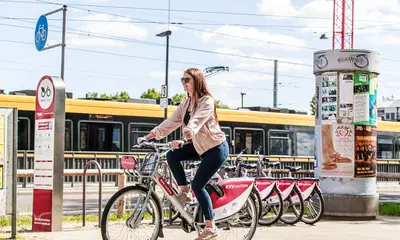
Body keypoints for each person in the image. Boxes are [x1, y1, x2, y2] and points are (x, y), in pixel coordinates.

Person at [138, 67, 229, 240]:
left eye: (187, 80)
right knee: (172, 155)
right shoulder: (185, 104)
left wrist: (190, 130)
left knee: (198, 184)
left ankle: (211, 227)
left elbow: (198, 120)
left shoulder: (207, 101)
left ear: (197, 81)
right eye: (182, 80)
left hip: (216, 148)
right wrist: (149, 136)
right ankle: (184, 192)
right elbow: (170, 123)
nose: (184, 83)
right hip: (199, 146)